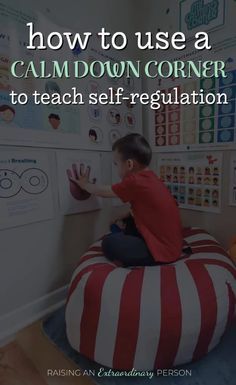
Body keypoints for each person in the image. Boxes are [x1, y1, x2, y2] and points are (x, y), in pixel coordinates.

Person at [69, 133, 183, 267]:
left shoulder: (135, 181)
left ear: (129, 164)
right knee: (127, 222)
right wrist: (123, 215)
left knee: (108, 243)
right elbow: (148, 209)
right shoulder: (151, 178)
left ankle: (131, 252)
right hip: (172, 245)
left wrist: (85, 185)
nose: (116, 169)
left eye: (116, 164)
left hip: (163, 252)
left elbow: (105, 192)